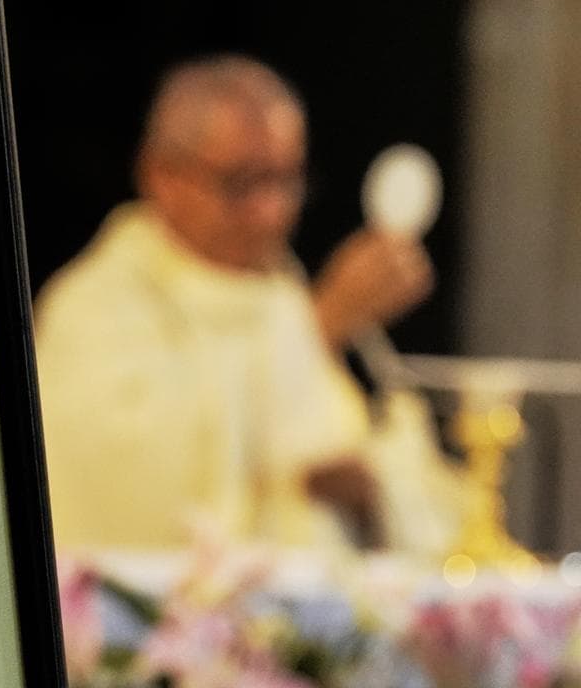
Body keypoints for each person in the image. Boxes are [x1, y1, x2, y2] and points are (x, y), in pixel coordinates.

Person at [35, 54, 465, 557]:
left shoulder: (281, 295)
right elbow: (124, 479)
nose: (271, 209)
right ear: (162, 175)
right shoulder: (95, 305)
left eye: (287, 180)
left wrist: (374, 490)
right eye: (242, 182)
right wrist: (321, 326)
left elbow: (386, 472)